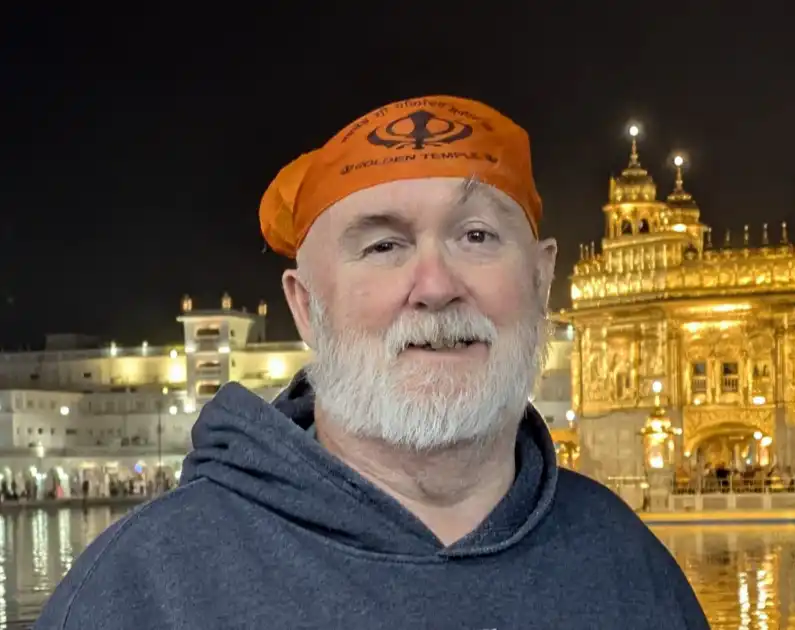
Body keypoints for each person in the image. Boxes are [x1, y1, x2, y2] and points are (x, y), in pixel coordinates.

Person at [35, 96, 709, 629]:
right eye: (383, 246)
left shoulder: (626, 565)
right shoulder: (144, 593)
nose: (436, 284)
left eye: (475, 236)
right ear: (306, 307)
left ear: (540, 281)